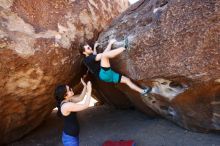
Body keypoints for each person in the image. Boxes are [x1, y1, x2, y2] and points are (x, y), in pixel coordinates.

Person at [80, 38, 151, 96]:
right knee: (104, 56)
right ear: (84, 52)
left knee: (127, 80)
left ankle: (143, 91)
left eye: (89, 47)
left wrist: (96, 47)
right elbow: (103, 55)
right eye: (88, 48)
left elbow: (94, 56)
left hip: (108, 75)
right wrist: (110, 44)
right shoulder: (87, 59)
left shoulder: (89, 58)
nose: (90, 48)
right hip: (103, 74)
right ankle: (124, 47)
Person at [54, 78, 92, 146]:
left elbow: (81, 98)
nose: (71, 89)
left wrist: (85, 87)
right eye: (69, 90)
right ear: (65, 95)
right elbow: (85, 105)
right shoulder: (66, 106)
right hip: (70, 139)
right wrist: (89, 91)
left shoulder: (68, 100)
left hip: (72, 135)